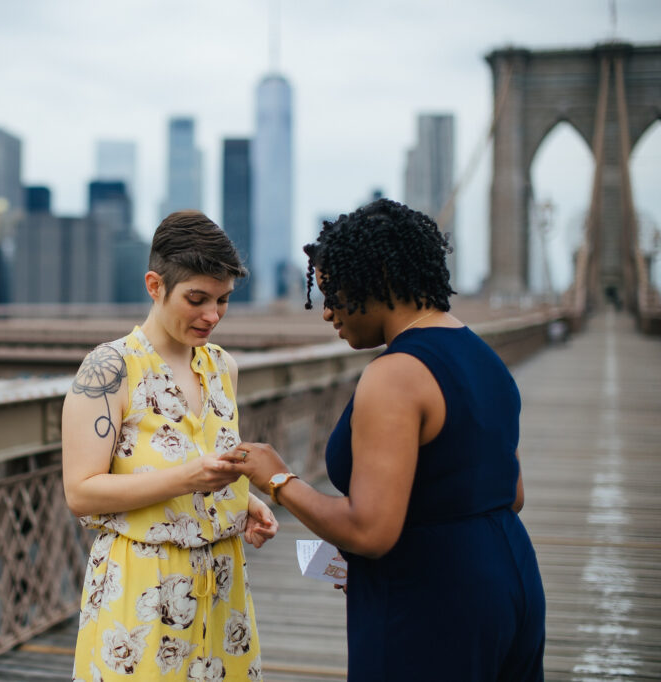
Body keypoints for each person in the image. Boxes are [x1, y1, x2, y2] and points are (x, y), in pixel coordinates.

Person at [222, 198, 546, 681]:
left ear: (379, 277)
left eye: (333, 293)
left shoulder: (394, 375)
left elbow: (370, 532)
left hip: (432, 600)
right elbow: (510, 494)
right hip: (513, 578)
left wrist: (279, 479)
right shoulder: (482, 355)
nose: (328, 312)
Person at [63, 210, 278, 682]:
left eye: (222, 300)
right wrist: (190, 478)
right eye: (196, 299)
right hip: (140, 591)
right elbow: (81, 492)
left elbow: (199, 463)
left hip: (223, 589)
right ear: (154, 285)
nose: (212, 315)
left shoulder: (224, 368)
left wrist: (244, 502)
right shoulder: (108, 369)